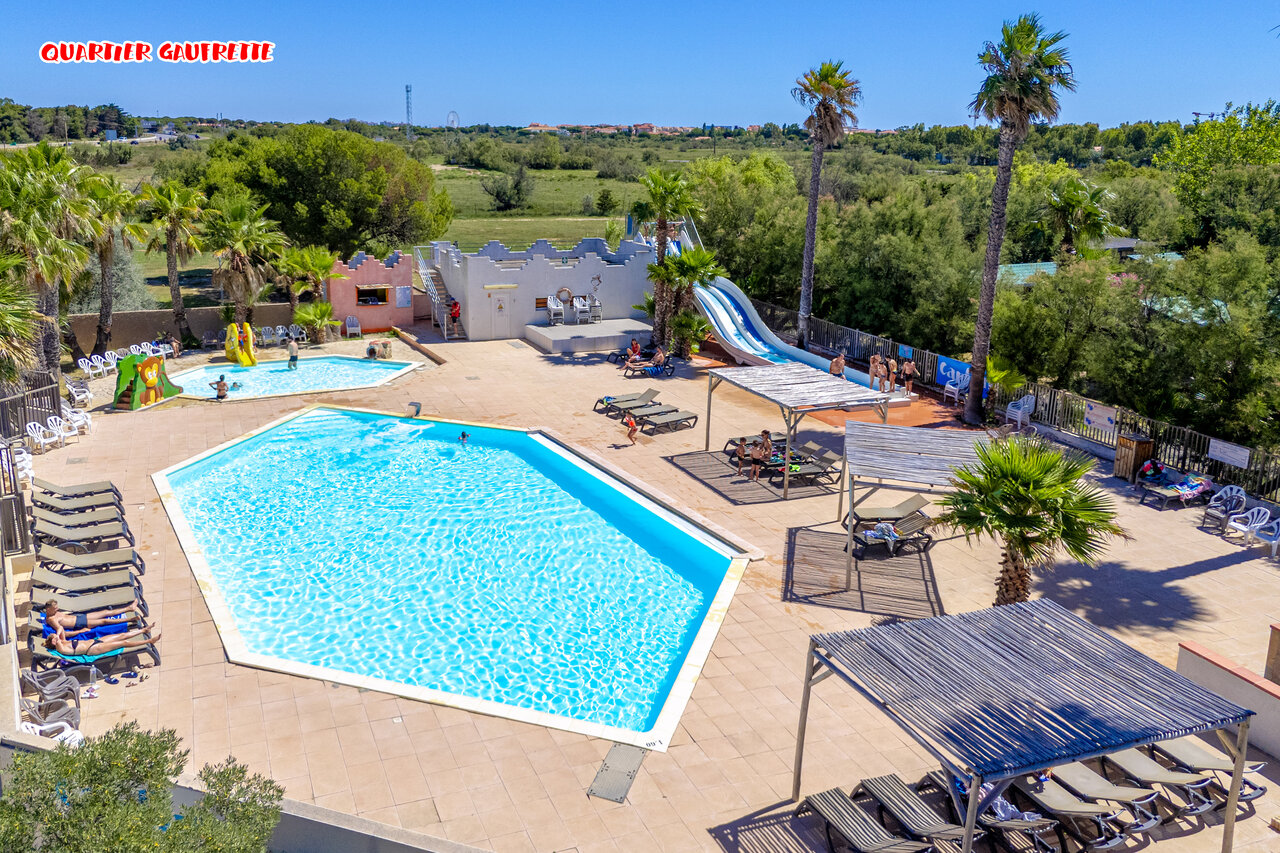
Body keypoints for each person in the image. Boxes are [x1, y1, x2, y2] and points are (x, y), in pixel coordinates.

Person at [41, 599, 140, 641]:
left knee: (105, 612)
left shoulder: (53, 612)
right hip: (79, 624)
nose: (57, 609)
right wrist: (80, 631)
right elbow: (60, 629)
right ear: (48, 609)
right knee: (104, 621)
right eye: (55, 608)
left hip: (80, 618)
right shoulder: (51, 619)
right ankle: (131, 619)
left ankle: (130, 608)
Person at [48, 623, 161, 658]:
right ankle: (149, 641)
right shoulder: (60, 647)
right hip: (92, 649)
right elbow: (57, 638)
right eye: (54, 638)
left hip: (94, 641)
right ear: (53, 643)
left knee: (121, 635)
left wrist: (56, 635)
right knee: (123, 643)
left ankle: (144, 630)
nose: (56, 638)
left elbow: (60, 628)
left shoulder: (63, 641)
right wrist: (55, 639)